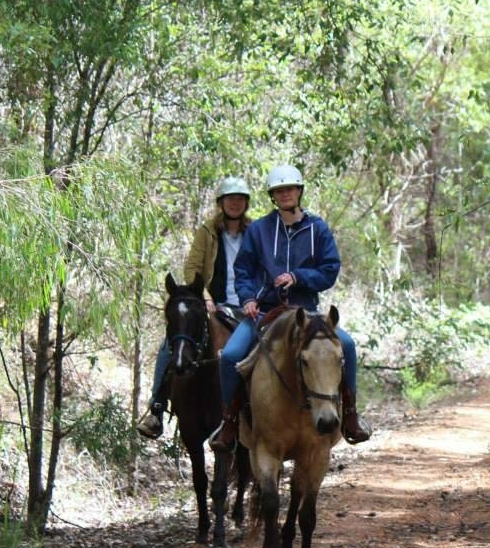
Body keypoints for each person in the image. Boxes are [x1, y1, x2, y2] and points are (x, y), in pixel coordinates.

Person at [208, 164, 371, 450]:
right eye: (279, 190)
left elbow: (330, 270)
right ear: (272, 195)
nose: (285, 194)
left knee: (346, 346)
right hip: (265, 312)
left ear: (299, 191)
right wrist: (247, 298)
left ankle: (351, 416)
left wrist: (298, 277)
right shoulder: (258, 230)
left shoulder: (317, 228)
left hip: (306, 313)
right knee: (230, 355)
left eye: (290, 189)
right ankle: (229, 421)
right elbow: (243, 269)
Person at [136, 176, 253, 439]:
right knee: (171, 344)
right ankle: (157, 408)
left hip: (247, 305)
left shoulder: (255, 231)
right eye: (230, 199)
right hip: (214, 303)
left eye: (240, 199)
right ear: (221, 203)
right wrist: (205, 296)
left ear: (246, 203)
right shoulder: (208, 231)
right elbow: (192, 268)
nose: (235, 204)